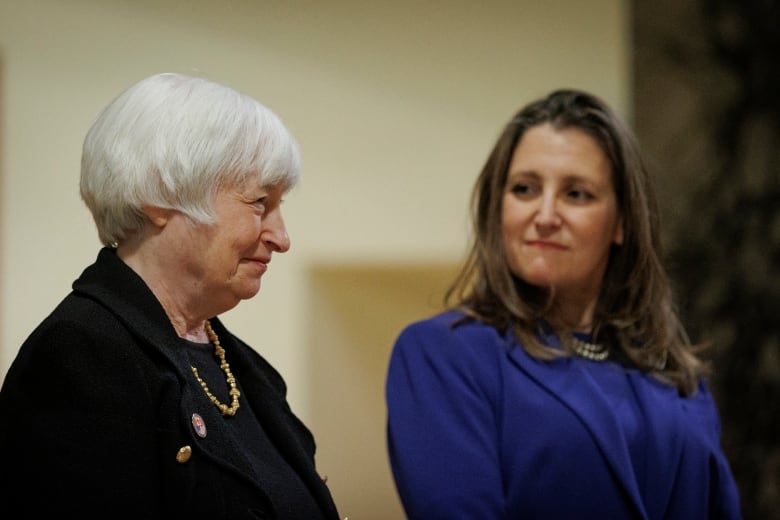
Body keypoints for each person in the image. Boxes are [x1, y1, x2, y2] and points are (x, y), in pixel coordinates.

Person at [385, 89, 742, 519]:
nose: (546, 214)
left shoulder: (675, 372)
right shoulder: (444, 355)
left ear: (622, 222)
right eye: (524, 189)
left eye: (577, 194)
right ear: (497, 207)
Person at [0, 72, 340, 519]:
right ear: (161, 196)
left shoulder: (242, 366)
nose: (281, 237)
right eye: (259, 203)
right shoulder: (83, 356)